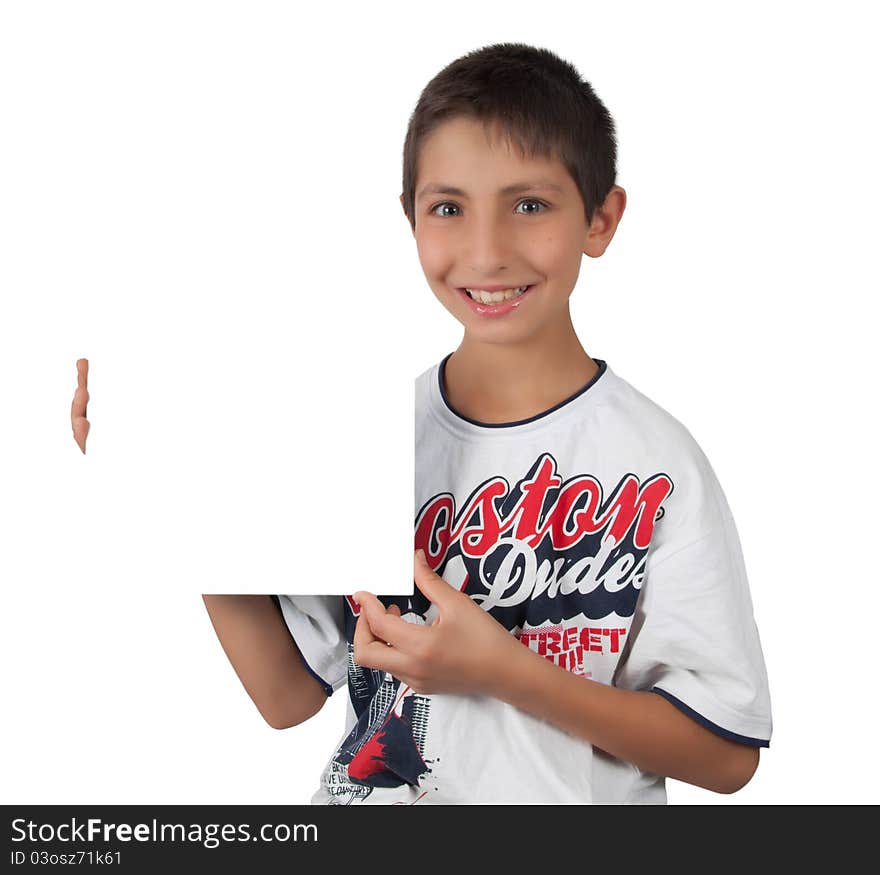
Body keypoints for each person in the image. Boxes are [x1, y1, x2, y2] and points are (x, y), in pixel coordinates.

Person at [203, 42, 772, 805]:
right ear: (410, 218)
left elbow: (727, 754)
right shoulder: (362, 434)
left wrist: (504, 671)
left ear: (600, 219)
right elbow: (287, 695)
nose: (486, 250)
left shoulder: (655, 461)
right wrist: (177, 488)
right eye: (448, 208)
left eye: (528, 205)